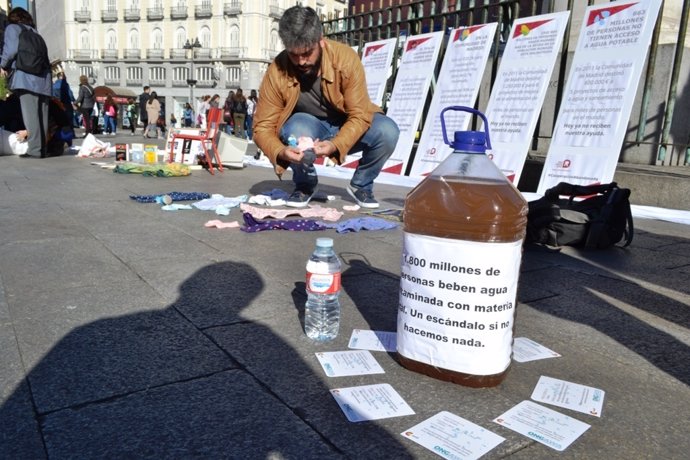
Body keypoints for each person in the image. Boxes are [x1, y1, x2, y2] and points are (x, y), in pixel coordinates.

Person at [253, 5, 399, 208]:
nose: (302, 61)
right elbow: (262, 127)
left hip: (346, 123)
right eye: (294, 55)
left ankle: (361, 185)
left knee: (387, 131)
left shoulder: (346, 58)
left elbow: (359, 115)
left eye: (307, 53)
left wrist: (335, 145)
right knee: (295, 127)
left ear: (320, 41)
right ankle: (305, 185)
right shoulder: (277, 70)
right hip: (308, 128)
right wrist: (280, 152)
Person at [0, 7, 52, 158]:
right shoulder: (35, 32)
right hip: (44, 78)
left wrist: (2, 65)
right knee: (42, 115)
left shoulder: (12, 28)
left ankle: (34, 150)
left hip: (26, 77)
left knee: (31, 116)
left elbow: (10, 51)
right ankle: (42, 149)